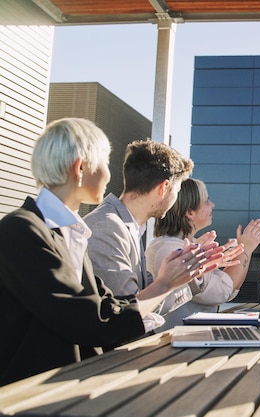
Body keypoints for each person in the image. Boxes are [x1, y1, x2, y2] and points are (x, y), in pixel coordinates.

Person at [0, 118, 224, 386]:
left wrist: (175, 279)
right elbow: (92, 320)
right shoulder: (21, 230)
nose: (109, 174)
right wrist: (165, 283)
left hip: (68, 387)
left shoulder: (70, 230)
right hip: (33, 395)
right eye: (105, 163)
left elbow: (108, 307)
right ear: (80, 168)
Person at [84, 139, 237, 317]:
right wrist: (168, 280)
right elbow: (128, 312)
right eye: (177, 189)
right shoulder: (107, 228)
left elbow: (150, 299)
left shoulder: (128, 226)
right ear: (164, 188)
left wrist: (191, 273)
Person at [145, 178, 260, 329]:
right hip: (177, 344)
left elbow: (226, 289)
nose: (212, 205)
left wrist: (244, 249)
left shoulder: (182, 244)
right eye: (206, 201)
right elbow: (222, 291)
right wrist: (246, 248)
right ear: (190, 213)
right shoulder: (171, 249)